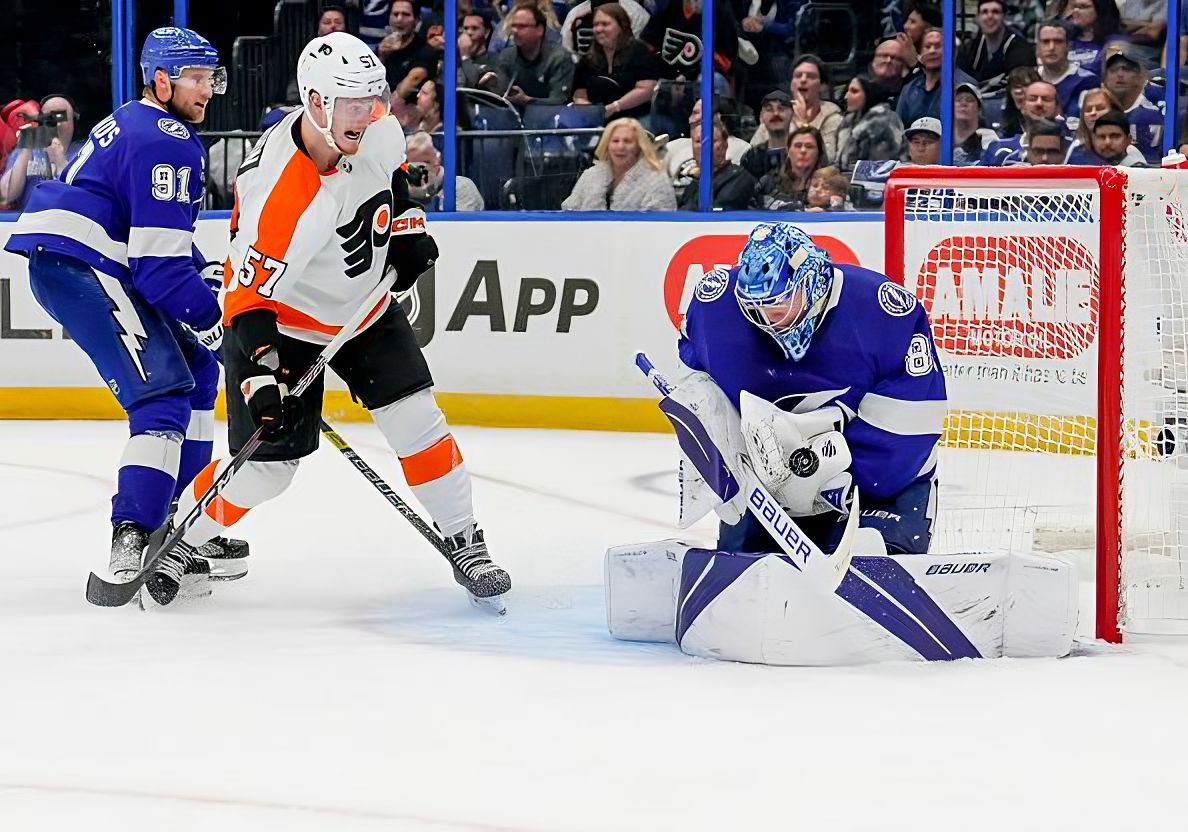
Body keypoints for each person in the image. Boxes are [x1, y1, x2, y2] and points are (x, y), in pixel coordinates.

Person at [171, 31, 511, 610]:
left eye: (370, 97)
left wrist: (407, 227)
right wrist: (260, 378)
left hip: (366, 309)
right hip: (286, 323)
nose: (367, 111)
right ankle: (185, 537)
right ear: (315, 101)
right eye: (350, 101)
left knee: (418, 422)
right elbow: (245, 300)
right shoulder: (281, 197)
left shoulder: (377, 125)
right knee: (268, 472)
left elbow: (394, 182)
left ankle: (464, 536)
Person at [2, 27, 247, 602]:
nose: (208, 88)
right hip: (81, 267)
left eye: (212, 76)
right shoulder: (168, 139)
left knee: (199, 374)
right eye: (196, 77)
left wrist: (202, 290)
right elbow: (159, 269)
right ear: (161, 81)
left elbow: (158, 243)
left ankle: (178, 518)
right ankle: (134, 534)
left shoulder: (140, 124)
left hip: (88, 260)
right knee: (161, 395)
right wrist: (215, 322)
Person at [677, 223, 945, 557]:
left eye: (782, 302)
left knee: (869, 563)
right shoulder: (716, 310)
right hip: (768, 490)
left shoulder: (881, 311)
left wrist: (840, 483)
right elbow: (700, 388)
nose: (770, 317)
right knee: (748, 579)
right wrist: (721, 456)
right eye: (757, 307)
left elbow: (912, 422)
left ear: (814, 282)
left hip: (877, 488)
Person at [571, 2, 661, 121]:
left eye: (605, 24)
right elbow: (579, 92)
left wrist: (614, 107)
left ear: (621, 26)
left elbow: (647, 89)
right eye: (596, 24)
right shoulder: (588, 57)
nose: (598, 29)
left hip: (636, 116)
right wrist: (588, 108)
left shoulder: (638, 50)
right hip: (598, 119)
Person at [562, 117, 677, 210]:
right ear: (607, 145)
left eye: (627, 141)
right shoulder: (591, 175)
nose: (620, 146)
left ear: (639, 147)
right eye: (615, 141)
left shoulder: (656, 180)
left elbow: (660, 226)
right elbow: (569, 211)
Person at [0, 95, 85, 211]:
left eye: (61, 117)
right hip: (30, 224)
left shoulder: (85, 153)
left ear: (73, 122)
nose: (57, 123)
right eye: (51, 118)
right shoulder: (27, 151)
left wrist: (60, 162)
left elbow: (83, 199)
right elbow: (5, 195)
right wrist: (25, 151)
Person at [488, 3, 574, 109]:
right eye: (513, 26)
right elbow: (499, 97)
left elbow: (559, 101)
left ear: (540, 30)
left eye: (522, 26)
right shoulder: (507, 56)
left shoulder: (559, 58)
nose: (515, 31)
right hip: (513, 118)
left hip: (551, 120)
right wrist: (489, 87)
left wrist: (528, 100)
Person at [897, 28, 976, 127]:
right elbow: (899, 129)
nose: (932, 51)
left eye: (938, 46)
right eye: (927, 46)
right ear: (920, 54)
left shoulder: (964, 86)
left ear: (952, 52)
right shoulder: (909, 88)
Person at [1099, 42, 1163, 163]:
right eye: (1113, 69)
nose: (1120, 75)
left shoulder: (1152, 103)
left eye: (1126, 69)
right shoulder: (1095, 105)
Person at [676, 117, 756, 210]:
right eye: (698, 141)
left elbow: (716, 215)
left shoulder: (740, 179)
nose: (704, 147)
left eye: (712, 141)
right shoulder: (694, 185)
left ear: (725, 144)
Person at [956, 0, 1035, 88]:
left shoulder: (1021, 48)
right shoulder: (970, 48)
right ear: (978, 18)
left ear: (1004, 17)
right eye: (984, 12)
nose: (990, 16)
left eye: (995, 12)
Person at [835, 75, 904, 172]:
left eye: (854, 91)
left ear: (869, 94)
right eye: (848, 91)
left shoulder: (884, 123)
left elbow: (879, 171)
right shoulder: (848, 122)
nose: (846, 96)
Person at [405, 129, 486, 210]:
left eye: (425, 162)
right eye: (411, 164)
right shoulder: (397, 189)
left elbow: (456, 222)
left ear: (437, 162)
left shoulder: (460, 187)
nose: (417, 171)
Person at [379, 0, 441, 103]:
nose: (399, 19)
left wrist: (386, 110)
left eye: (406, 15)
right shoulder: (384, 49)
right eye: (395, 14)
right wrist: (381, 57)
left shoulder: (426, 50)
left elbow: (413, 80)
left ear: (416, 20)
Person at [1035, 18, 1098, 116]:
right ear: (1038, 47)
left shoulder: (1087, 81)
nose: (1051, 47)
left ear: (1069, 46)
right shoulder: (1030, 79)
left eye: (1058, 41)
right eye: (1046, 41)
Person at [756, 125, 827, 211]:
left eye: (809, 146)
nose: (803, 150)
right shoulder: (768, 183)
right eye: (798, 145)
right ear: (788, 151)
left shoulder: (830, 186)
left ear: (819, 153)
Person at [739, 89, 794, 180]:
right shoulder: (752, 157)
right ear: (761, 116)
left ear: (793, 114)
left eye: (781, 108)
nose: (775, 113)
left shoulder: (804, 151)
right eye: (769, 109)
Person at [1067, 108, 1147, 164]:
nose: (1107, 142)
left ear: (1128, 140)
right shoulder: (1082, 158)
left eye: (1115, 136)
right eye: (1101, 137)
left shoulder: (1135, 167)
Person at [1066, 0, 1121, 70]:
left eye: (1083, 7)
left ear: (1100, 9)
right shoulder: (1063, 38)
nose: (1075, 10)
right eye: (1074, 6)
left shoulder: (1115, 43)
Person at [952, 82, 998, 165]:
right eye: (958, 100)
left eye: (969, 100)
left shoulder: (989, 138)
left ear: (979, 109)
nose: (963, 103)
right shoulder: (943, 139)